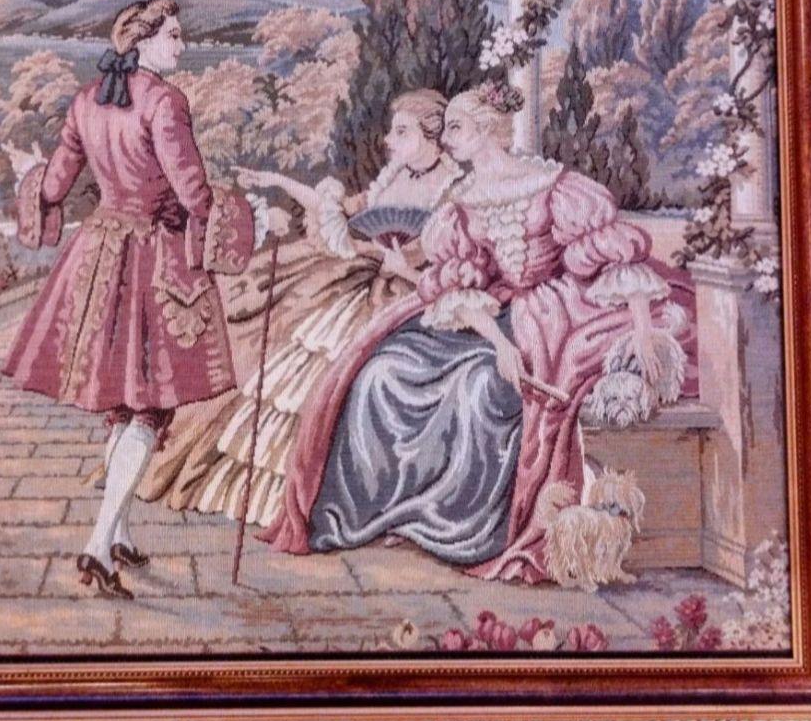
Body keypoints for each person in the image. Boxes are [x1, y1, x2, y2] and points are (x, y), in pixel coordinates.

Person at [259, 79, 695, 585]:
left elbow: (612, 256)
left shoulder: (551, 185)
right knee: (382, 371)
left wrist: (642, 330)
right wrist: (500, 342)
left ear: (486, 130)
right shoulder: (463, 203)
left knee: (481, 388)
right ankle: (389, 511)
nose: (446, 140)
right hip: (494, 316)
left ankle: (469, 532)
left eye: (456, 128)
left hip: (557, 314)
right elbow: (464, 283)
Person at [2, 0, 289, 599]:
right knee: (148, 410)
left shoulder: (87, 100)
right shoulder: (164, 102)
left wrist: (28, 178)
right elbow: (194, 193)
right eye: (174, 36)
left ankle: (119, 532)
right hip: (154, 262)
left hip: (98, 255)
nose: (182, 46)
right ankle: (96, 543)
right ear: (143, 42)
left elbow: (53, 185)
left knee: (122, 404)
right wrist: (254, 219)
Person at [143, 89, 462, 528]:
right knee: (269, 326)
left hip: (401, 296)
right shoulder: (393, 176)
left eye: (402, 132)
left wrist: (378, 255)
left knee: (331, 370)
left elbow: (427, 259)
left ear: (433, 136)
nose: (389, 140)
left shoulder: (451, 191)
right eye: (393, 130)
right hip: (358, 278)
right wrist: (278, 181)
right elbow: (337, 212)